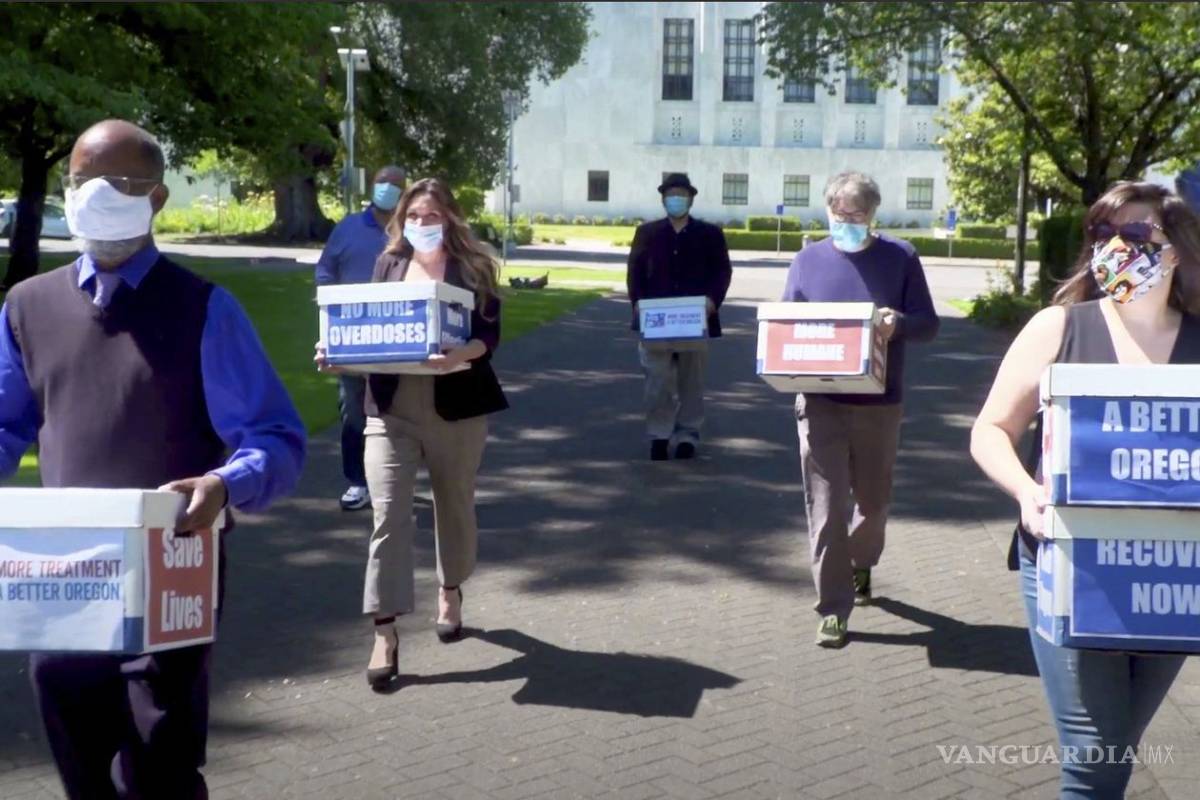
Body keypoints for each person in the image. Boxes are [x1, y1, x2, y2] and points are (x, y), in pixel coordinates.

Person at [0, 119, 306, 798]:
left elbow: (276, 437)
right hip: (63, 573)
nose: (99, 194)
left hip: (173, 566)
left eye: (123, 182)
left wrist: (226, 484)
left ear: (158, 197)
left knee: (158, 763)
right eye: (84, 180)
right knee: (81, 762)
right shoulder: (26, 307)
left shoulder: (205, 310)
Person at [971, 182, 1200, 798]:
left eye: (1134, 236)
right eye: (1101, 234)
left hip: (1171, 574)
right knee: (1096, 759)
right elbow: (990, 430)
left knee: (1116, 750)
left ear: (1173, 250)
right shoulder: (1059, 328)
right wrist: (1026, 492)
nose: (1114, 248)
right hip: (1069, 566)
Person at [316, 178, 507, 691]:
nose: (423, 224)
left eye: (432, 215)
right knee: (388, 517)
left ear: (450, 217)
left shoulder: (474, 267)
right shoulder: (388, 264)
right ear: (403, 219)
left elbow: (489, 334)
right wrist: (339, 353)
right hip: (391, 409)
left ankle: (450, 587)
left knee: (454, 505)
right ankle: (385, 630)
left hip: (458, 407)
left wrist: (461, 354)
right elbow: (373, 326)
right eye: (415, 216)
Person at [781, 171, 939, 648]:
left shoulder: (900, 258)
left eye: (857, 215)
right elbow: (787, 325)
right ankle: (833, 608)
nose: (846, 222)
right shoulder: (807, 261)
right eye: (839, 214)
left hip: (879, 403)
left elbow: (929, 324)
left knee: (872, 505)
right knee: (827, 509)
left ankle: (861, 562)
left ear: (873, 215)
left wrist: (899, 324)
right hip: (820, 402)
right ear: (827, 211)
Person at [316, 164, 407, 511]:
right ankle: (357, 482)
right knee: (353, 413)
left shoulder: (410, 231)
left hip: (399, 337)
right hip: (353, 336)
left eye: (395, 184)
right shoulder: (349, 228)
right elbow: (325, 270)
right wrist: (330, 308)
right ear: (372, 186)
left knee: (398, 415)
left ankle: (394, 481)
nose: (387, 188)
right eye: (382, 182)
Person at [626, 172, 732, 461]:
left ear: (690, 199)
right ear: (663, 199)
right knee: (656, 382)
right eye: (671, 195)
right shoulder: (647, 233)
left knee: (691, 382)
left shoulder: (709, 234)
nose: (676, 200)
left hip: (694, 320)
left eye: (681, 195)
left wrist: (713, 300)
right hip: (655, 320)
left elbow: (722, 271)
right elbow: (634, 272)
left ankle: (688, 434)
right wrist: (636, 302)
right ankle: (659, 434)